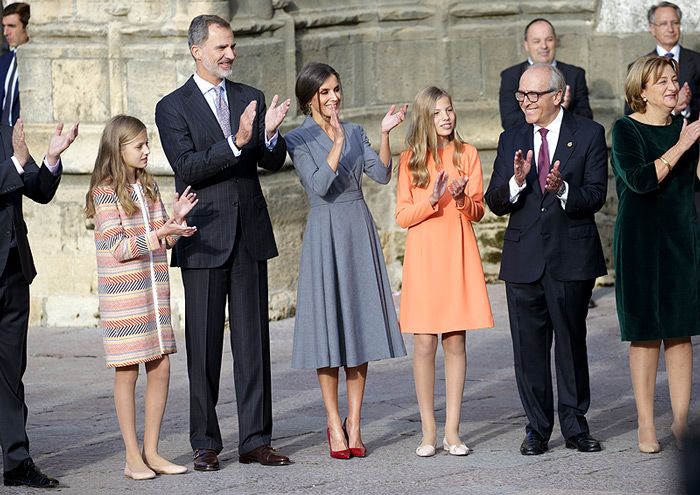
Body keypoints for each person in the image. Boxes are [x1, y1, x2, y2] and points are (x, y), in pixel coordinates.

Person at [154, 14, 291, 470]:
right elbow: (188, 166)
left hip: (248, 233)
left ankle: (255, 439)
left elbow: (272, 162)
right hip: (203, 235)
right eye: (221, 48)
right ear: (197, 50)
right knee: (205, 345)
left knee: (253, 344)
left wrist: (269, 134)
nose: (230, 54)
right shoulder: (172, 106)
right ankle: (205, 442)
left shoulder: (249, 95)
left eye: (232, 46)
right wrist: (236, 143)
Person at [485, 63, 608, 456]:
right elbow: (494, 202)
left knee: (571, 344)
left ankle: (575, 426)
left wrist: (563, 189)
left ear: (558, 95)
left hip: (570, 255)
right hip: (524, 258)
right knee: (529, 349)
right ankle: (537, 428)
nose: (525, 102)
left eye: (534, 95)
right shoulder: (511, 138)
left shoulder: (588, 134)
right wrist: (518, 181)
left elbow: (596, 196)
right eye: (521, 95)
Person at [286, 62, 407, 459]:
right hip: (325, 232)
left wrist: (386, 133)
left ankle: (354, 423)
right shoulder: (298, 139)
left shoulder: (356, 131)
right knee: (329, 333)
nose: (334, 97)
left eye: (336, 89)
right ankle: (332, 421)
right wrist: (335, 144)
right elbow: (319, 184)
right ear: (310, 99)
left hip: (357, 229)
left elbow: (383, 175)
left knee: (358, 328)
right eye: (325, 92)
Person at [85, 115, 197, 479]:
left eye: (147, 143)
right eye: (139, 145)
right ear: (118, 149)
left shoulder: (148, 187)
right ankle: (132, 457)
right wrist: (159, 233)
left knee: (161, 366)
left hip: (154, 293)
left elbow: (161, 236)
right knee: (127, 371)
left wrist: (175, 223)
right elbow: (118, 247)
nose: (147, 151)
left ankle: (152, 450)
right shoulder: (103, 193)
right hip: (125, 298)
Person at [395, 87, 494, 457]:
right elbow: (403, 216)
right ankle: (427, 430)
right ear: (425, 118)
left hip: (457, 250)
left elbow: (479, 210)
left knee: (455, 340)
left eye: (450, 110)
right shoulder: (410, 161)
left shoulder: (467, 154)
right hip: (424, 256)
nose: (446, 118)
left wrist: (461, 198)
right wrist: (432, 198)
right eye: (438, 113)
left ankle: (453, 429)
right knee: (423, 343)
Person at [611, 55, 699, 454]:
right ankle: (646, 423)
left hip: (682, 237)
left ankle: (682, 422)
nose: (670, 86)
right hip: (640, 242)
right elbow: (641, 180)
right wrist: (680, 146)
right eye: (661, 81)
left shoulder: (685, 128)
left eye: (673, 79)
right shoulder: (625, 129)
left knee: (681, 334)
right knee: (645, 336)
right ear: (641, 91)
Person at [0, 118, 78, 488]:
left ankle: (16, 461)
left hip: (12, 268)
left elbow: (37, 189)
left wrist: (50, 157)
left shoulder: (2, 126)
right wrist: (16, 162)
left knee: (12, 373)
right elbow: (13, 170)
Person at [499, 18, 593, 131]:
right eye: (536, 41)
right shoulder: (511, 76)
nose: (544, 46)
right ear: (526, 45)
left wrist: (562, 112)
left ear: (556, 41)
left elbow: (587, 119)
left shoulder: (575, 75)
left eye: (549, 39)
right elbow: (509, 121)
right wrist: (548, 113)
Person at [625, 2, 700, 123]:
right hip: (653, 137)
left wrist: (686, 106)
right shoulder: (638, 67)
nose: (670, 29)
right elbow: (631, 112)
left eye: (675, 23)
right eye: (664, 24)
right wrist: (674, 108)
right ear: (652, 28)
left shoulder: (697, 61)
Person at [0, 2, 30, 126]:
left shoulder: (36, 63)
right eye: (4, 26)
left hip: (26, 135)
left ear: (27, 27)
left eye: (11, 26)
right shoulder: (3, 61)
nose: (5, 32)